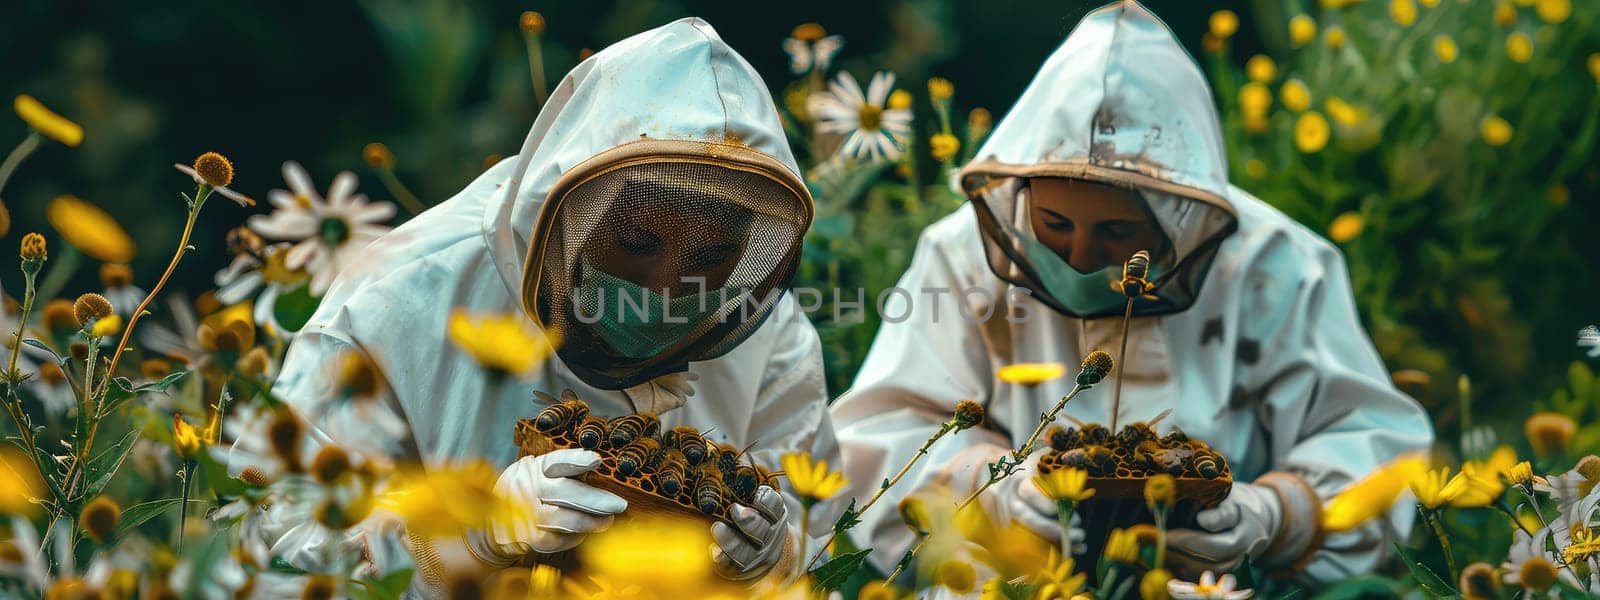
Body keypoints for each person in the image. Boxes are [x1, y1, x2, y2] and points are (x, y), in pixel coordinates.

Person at [829, 0, 1432, 585]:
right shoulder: (959, 256)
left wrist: (1273, 516)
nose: (1083, 255)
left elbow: (1372, 441)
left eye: (1117, 230)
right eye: (1056, 224)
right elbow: (886, 431)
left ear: (1177, 215)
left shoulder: (1279, 265)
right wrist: (995, 492)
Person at [236, 18, 837, 594]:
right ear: (567, 211)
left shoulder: (765, 326)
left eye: (711, 255)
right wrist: (463, 539)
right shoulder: (399, 300)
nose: (666, 288)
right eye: (636, 242)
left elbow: (821, 521)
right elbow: (268, 535)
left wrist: (770, 561)